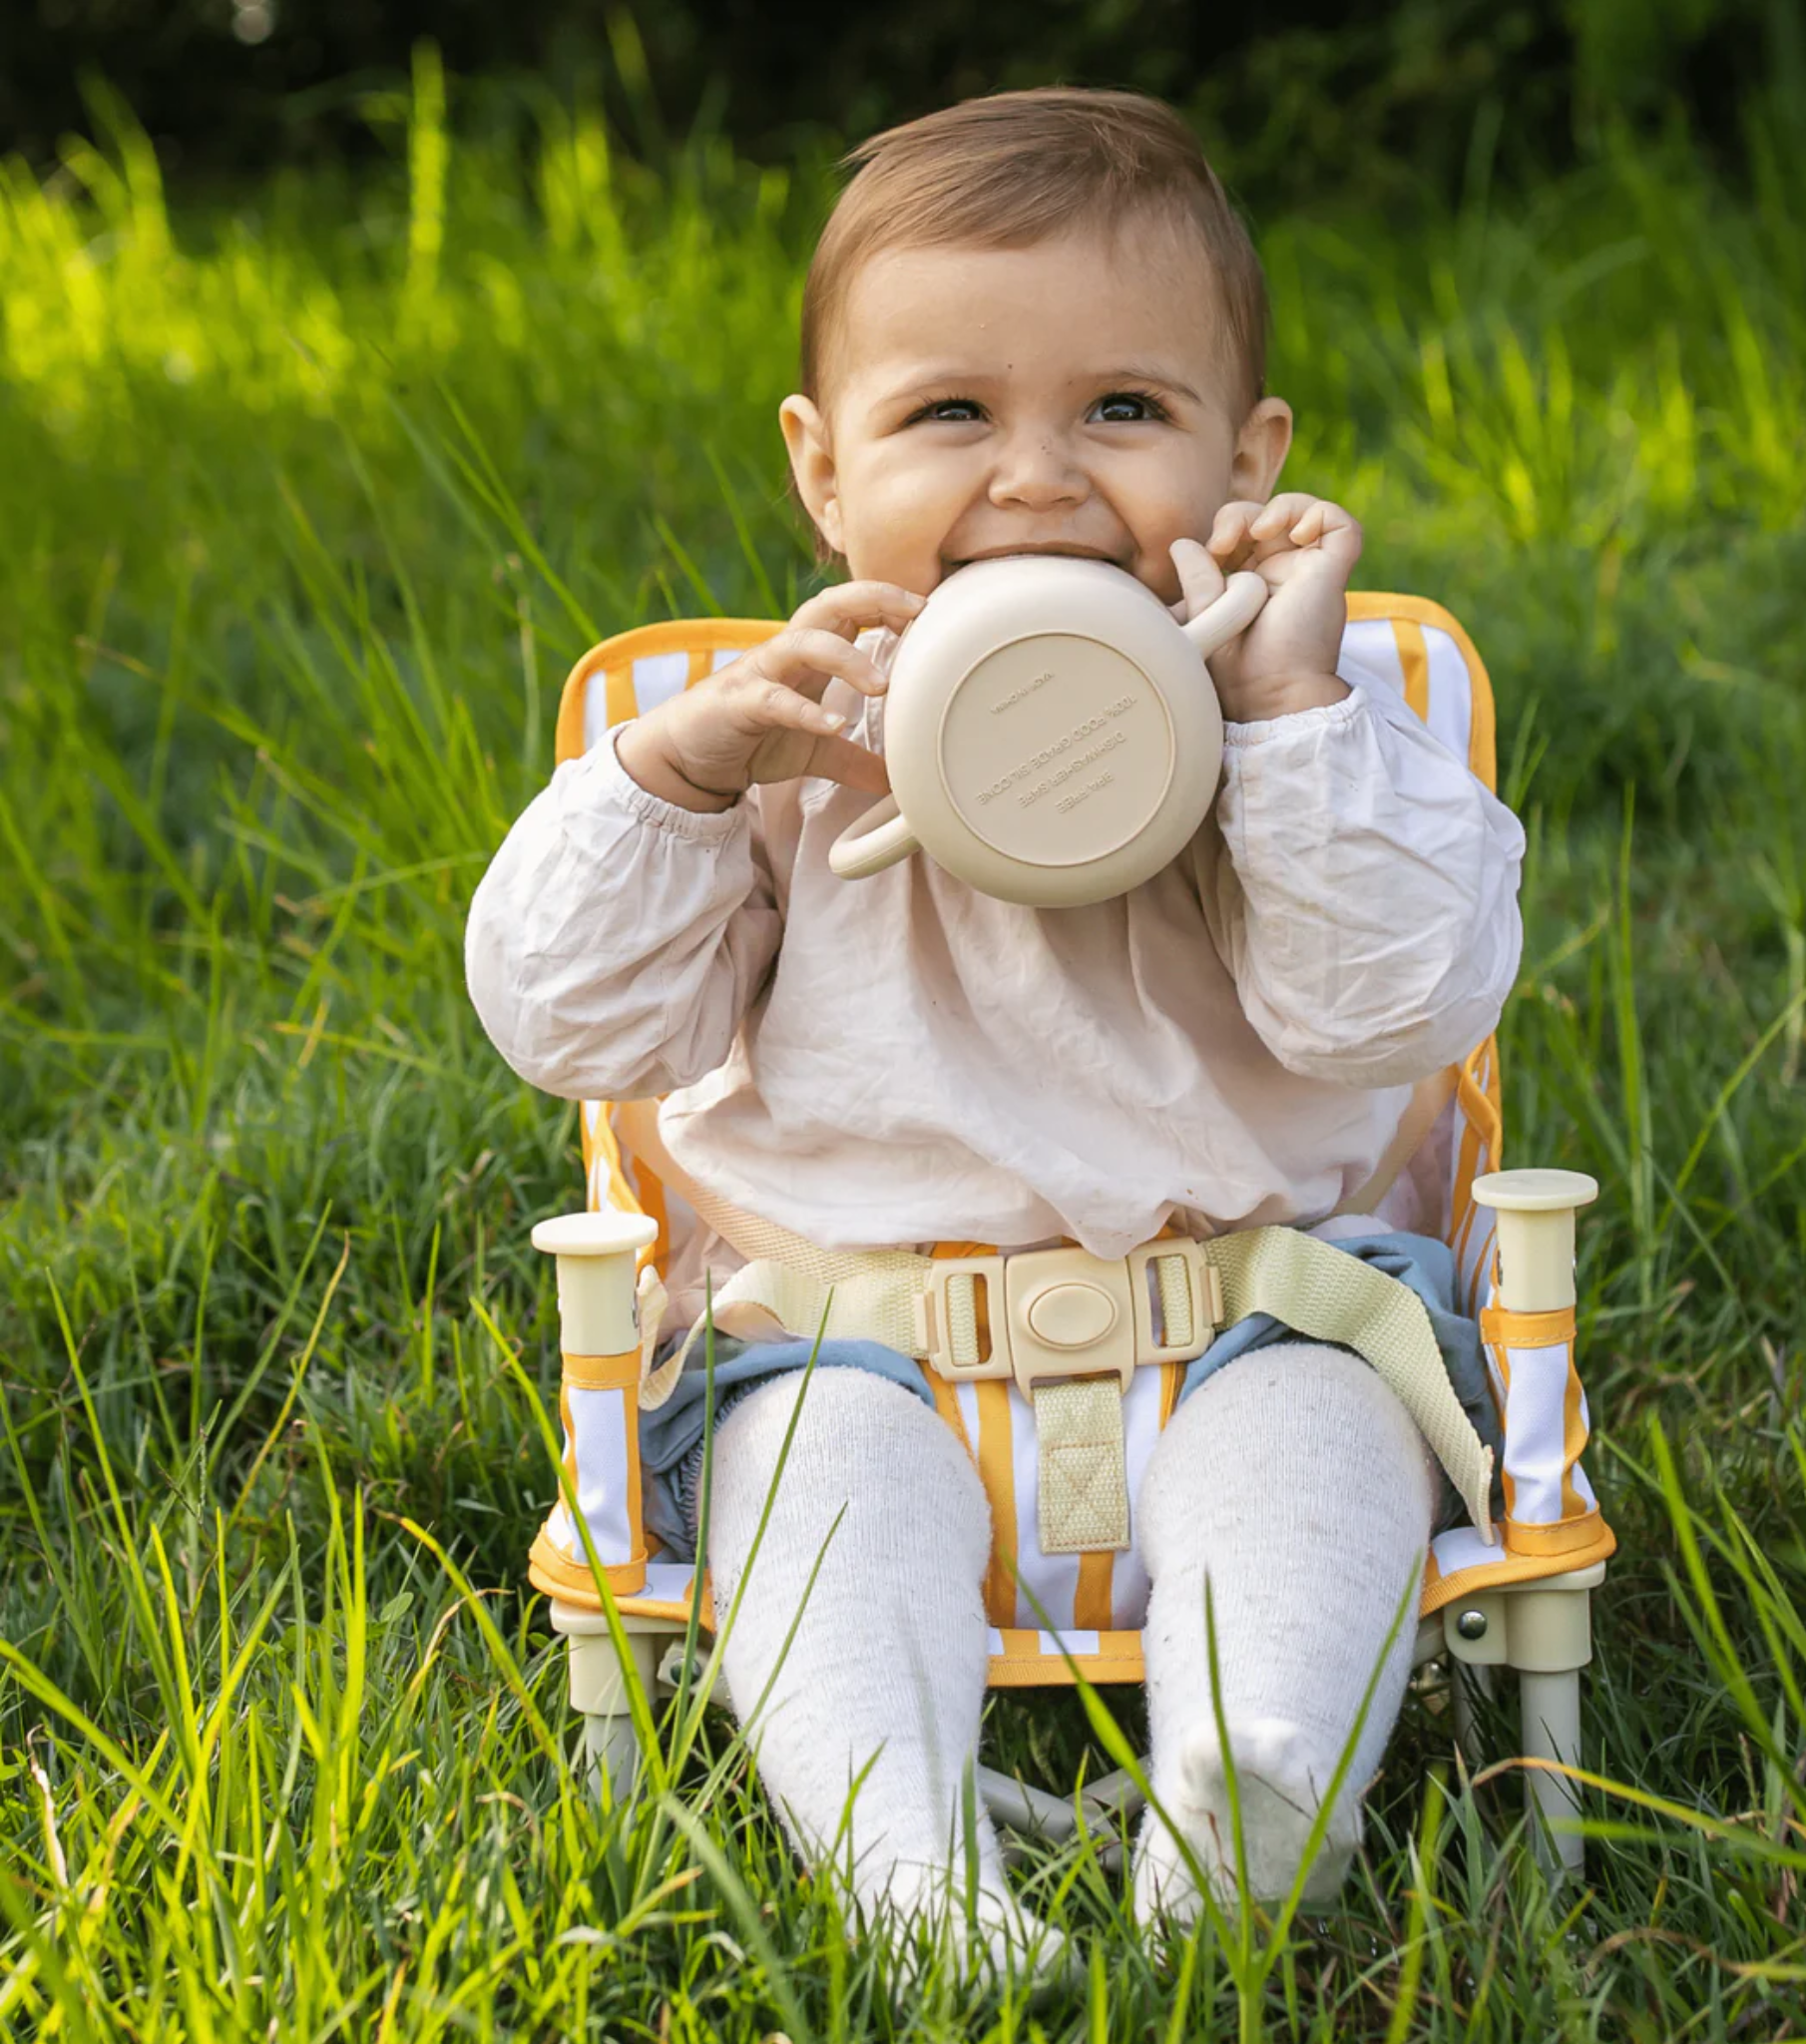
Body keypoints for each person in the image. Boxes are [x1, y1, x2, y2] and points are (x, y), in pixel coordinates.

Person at [467, 87, 1524, 1968]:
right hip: (852, 1360)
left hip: (1250, 1321)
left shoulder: (1331, 718)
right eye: (949, 413)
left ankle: (1255, 1782)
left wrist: (1277, 729)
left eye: (1124, 411)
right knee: (812, 1494)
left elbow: (1402, 1007)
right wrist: (678, 780)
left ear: (1245, 454)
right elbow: (567, 1024)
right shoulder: (773, 743)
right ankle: (899, 1857)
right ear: (820, 471)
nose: (1036, 479)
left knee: (1326, 1442)